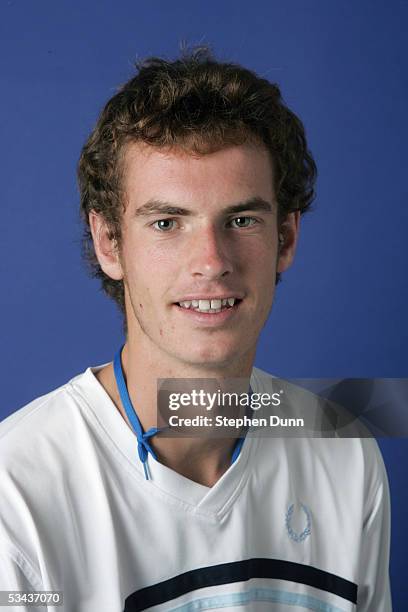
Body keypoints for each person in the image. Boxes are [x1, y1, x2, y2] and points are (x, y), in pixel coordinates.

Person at [0, 47, 391, 611]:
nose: (210, 261)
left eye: (241, 220)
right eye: (166, 222)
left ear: (285, 239)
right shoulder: (17, 494)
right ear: (110, 242)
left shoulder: (344, 451)